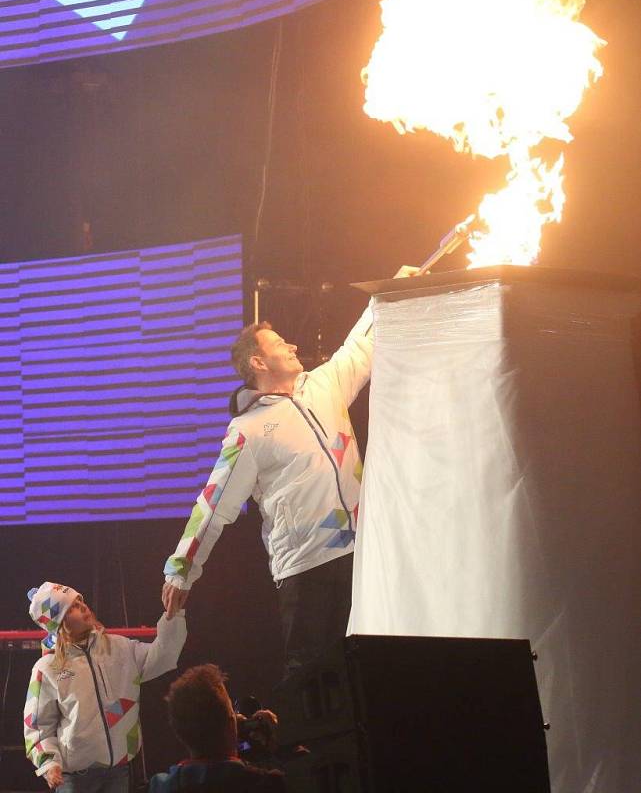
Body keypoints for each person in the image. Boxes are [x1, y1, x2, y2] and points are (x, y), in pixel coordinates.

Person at [162, 268, 416, 674]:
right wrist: (181, 570)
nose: (293, 345)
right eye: (280, 343)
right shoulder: (246, 431)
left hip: (362, 554)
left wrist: (388, 293)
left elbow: (360, 346)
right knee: (313, 683)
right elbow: (213, 507)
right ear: (258, 361)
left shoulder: (324, 386)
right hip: (305, 569)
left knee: (372, 669)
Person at [24, 581, 187, 792]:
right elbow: (37, 726)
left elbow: (164, 656)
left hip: (119, 771)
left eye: (80, 600)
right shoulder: (47, 668)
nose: (82, 606)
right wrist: (48, 763)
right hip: (74, 779)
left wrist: (173, 616)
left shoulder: (119, 647)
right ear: (60, 623)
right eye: (72, 606)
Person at [148, 664, 285, 792]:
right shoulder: (266, 784)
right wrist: (271, 748)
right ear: (231, 724)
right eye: (233, 711)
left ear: (179, 733)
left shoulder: (158, 786)